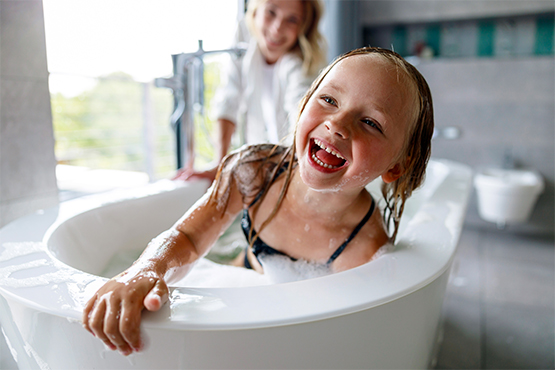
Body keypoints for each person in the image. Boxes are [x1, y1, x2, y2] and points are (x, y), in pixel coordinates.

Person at [82, 47, 434, 356]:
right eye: (328, 100)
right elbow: (188, 237)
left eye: (371, 122)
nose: (338, 125)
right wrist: (148, 268)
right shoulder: (254, 172)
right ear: (304, 103)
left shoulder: (364, 245)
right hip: (239, 269)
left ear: (395, 166)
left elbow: (334, 330)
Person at [175, 0, 327, 182]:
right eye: (271, 12)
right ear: (255, 12)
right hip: (260, 165)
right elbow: (229, 98)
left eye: (292, 19)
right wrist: (219, 165)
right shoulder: (243, 34)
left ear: (304, 27)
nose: (277, 27)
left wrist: (286, 165)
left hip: (292, 168)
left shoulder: (301, 67)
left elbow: (301, 113)